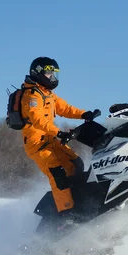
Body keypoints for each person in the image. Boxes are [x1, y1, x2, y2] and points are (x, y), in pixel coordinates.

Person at [20, 57, 98, 217]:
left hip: (51, 140)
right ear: (39, 73)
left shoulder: (47, 94)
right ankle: (66, 212)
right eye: (50, 74)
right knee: (58, 174)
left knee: (75, 164)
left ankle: (79, 199)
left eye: (54, 74)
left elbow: (65, 108)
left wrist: (84, 114)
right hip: (37, 145)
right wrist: (58, 132)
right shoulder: (32, 96)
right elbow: (37, 119)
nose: (53, 78)